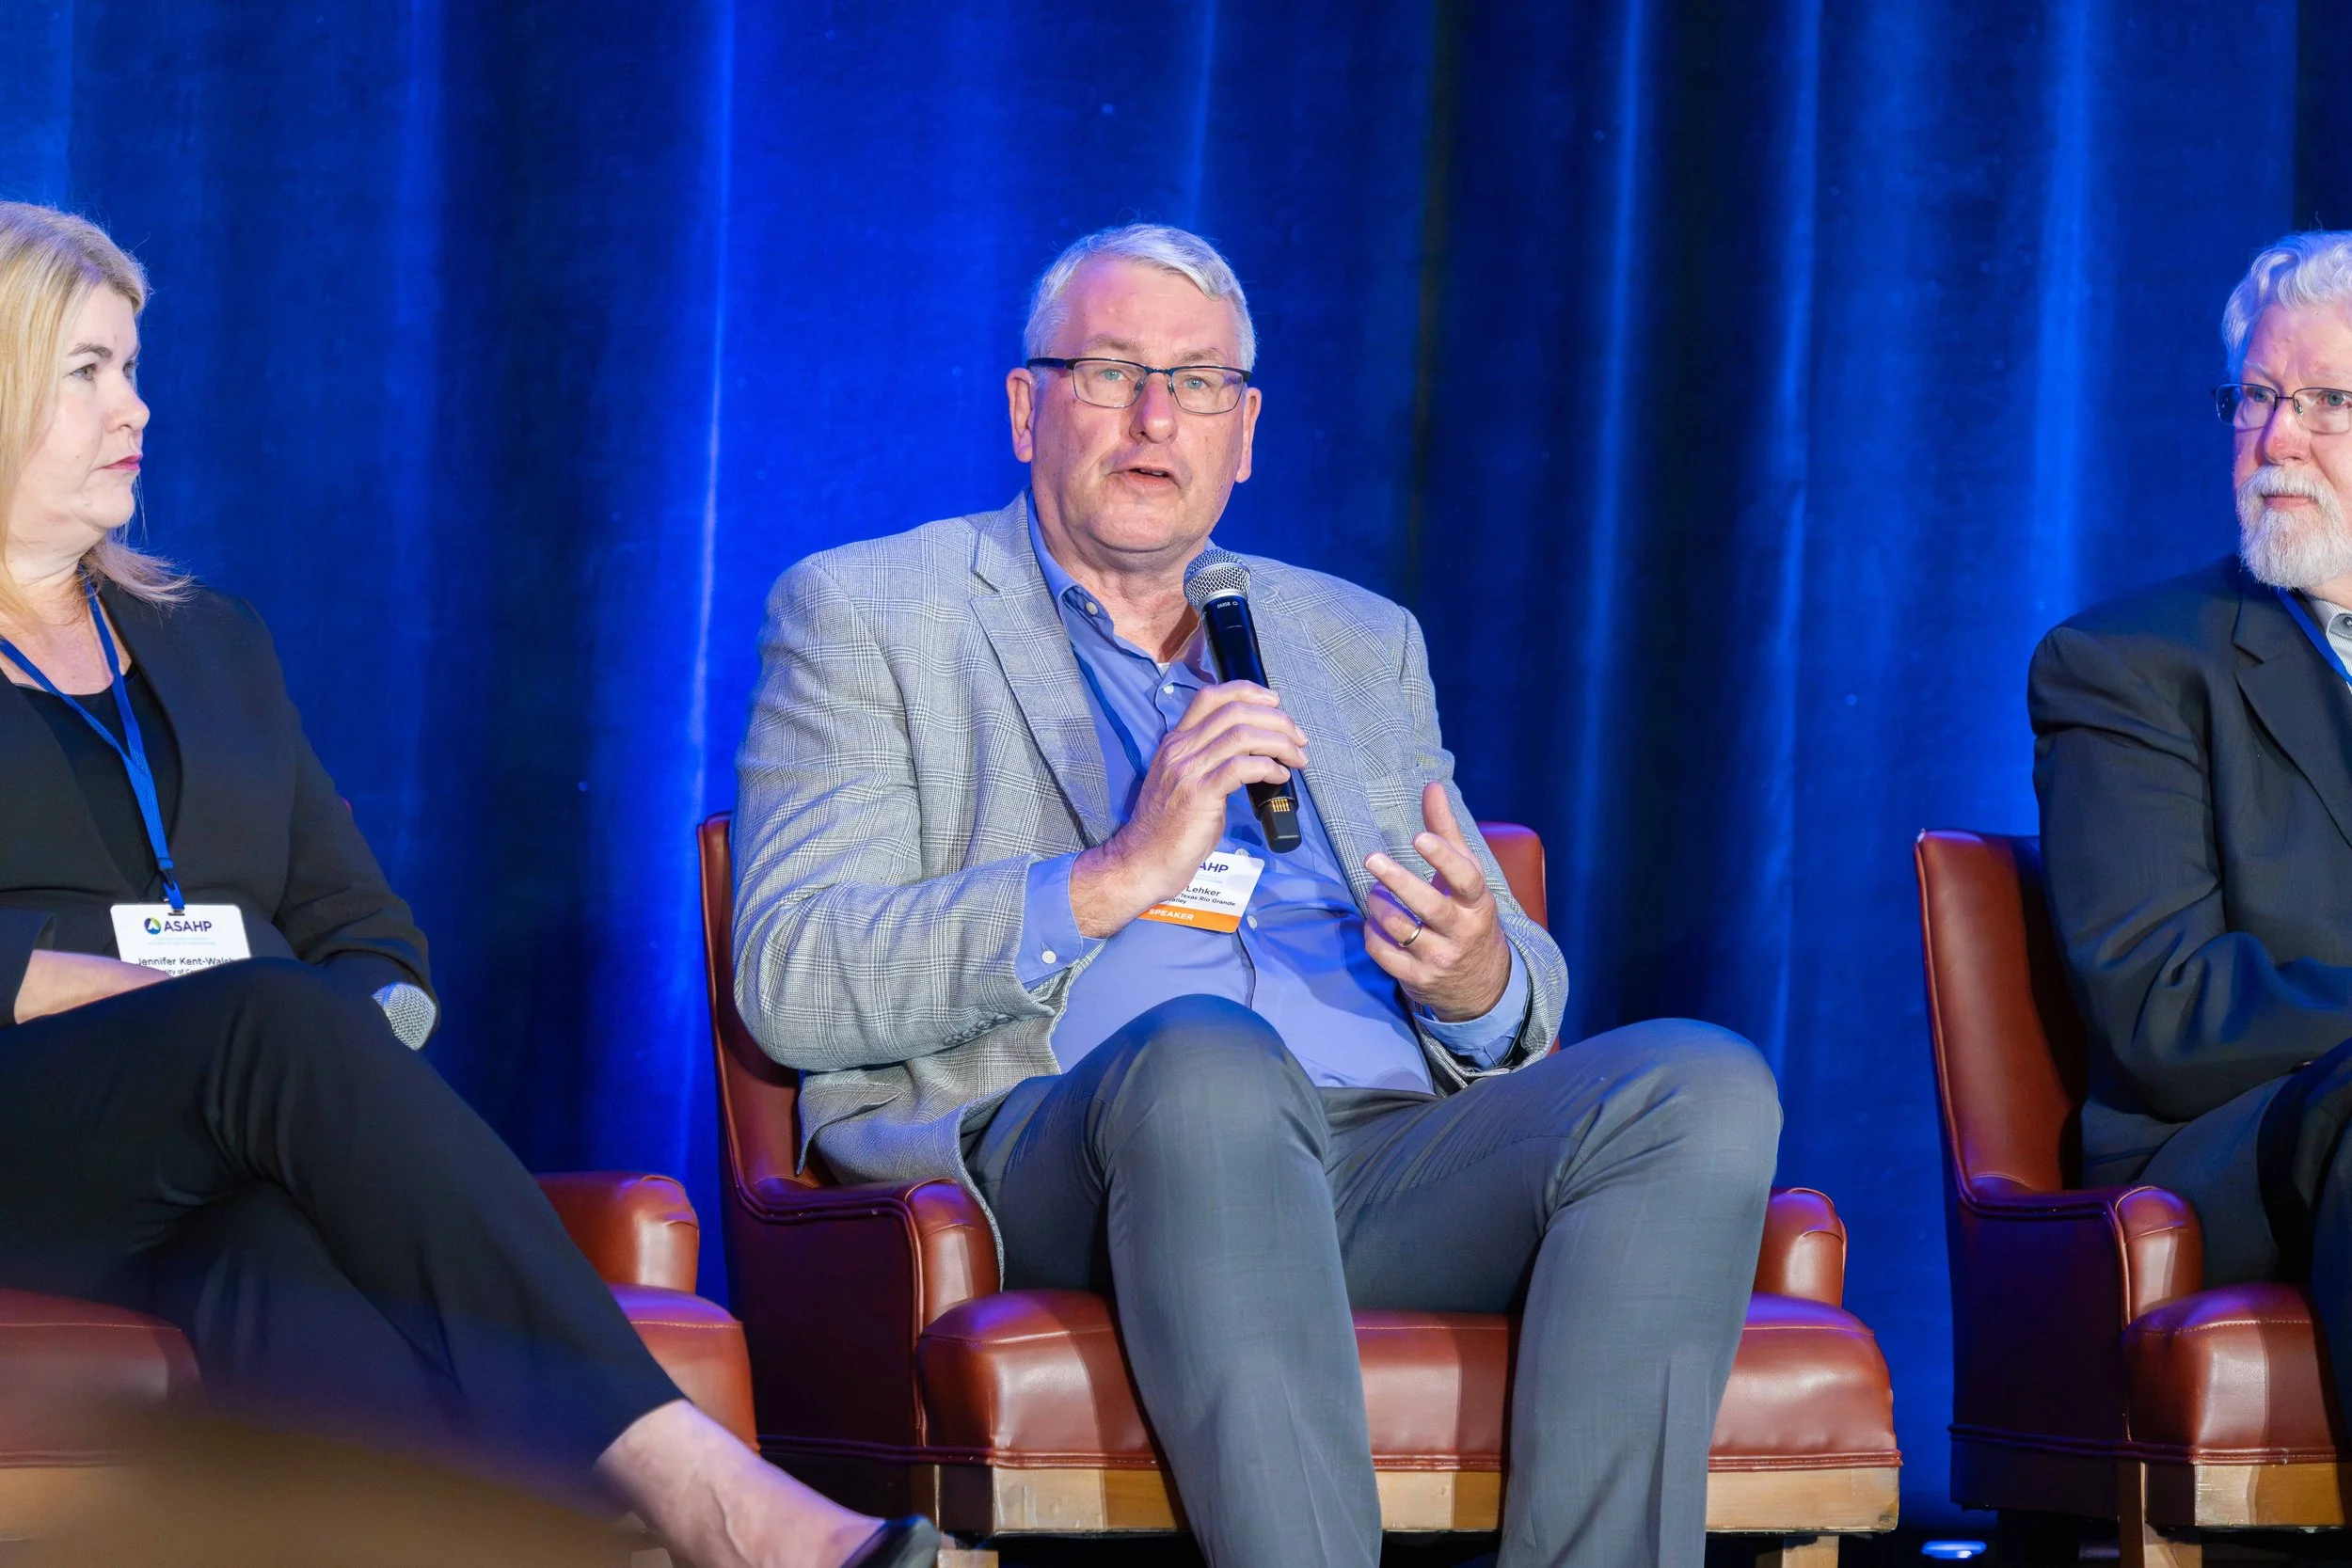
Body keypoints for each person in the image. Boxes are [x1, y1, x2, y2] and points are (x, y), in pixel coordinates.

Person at [732, 222, 1783, 1568]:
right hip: (1083, 1134)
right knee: (1212, 1063)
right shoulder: (872, 611)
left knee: (1697, 1081)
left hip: (1379, 1147)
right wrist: (1108, 876)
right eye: (1110, 371)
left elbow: (1517, 985)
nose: (1156, 415)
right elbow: (797, 970)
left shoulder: (1354, 639)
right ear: (1024, 405)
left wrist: (1475, 976)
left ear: (1247, 432)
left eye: (1200, 383)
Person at [0, 202, 934, 1568]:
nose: (136, 403)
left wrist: (339, 1077)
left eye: (135, 366)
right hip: (37, 1130)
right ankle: (705, 1490)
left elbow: (368, 939)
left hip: (227, 1142)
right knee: (266, 1017)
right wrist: (213, 1010)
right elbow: (252, 1001)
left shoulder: (210, 642)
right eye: (88, 369)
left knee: (269, 1257)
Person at [2031, 230, 2352, 1426]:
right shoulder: (2127, 665)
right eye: (2258, 397)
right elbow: (2166, 1007)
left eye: (2326, 402)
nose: (2277, 440)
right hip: (2226, 1151)